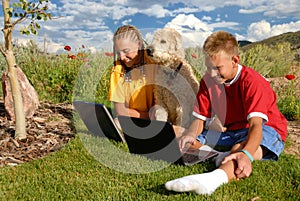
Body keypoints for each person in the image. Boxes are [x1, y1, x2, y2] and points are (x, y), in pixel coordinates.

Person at [165, 30, 288, 195]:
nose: (213, 74)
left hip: (267, 131)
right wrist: (190, 135)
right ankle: (218, 156)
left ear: (235, 60)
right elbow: (199, 119)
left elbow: (256, 126)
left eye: (218, 68)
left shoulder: (252, 81)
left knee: (240, 149)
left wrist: (245, 154)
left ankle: (213, 180)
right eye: (209, 68)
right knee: (180, 135)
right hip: (232, 132)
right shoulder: (208, 81)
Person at [108, 25, 156, 123]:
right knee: (117, 123)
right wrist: (147, 116)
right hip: (133, 119)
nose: (121, 57)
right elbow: (121, 111)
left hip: (160, 116)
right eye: (118, 52)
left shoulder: (154, 62)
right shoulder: (117, 70)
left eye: (126, 51)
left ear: (138, 44)